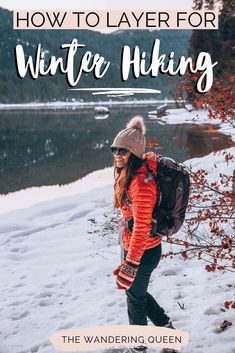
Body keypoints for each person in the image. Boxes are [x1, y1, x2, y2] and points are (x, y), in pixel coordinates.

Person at [111, 116, 176, 353]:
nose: (117, 154)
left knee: (134, 298)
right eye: (114, 149)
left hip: (144, 250)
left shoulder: (142, 183)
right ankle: (167, 330)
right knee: (135, 292)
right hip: (135, 246)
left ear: (135, 154)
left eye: (123, 151)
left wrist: (131, 261)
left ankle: (138, 347)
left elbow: (142, 226)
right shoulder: (130, 172)